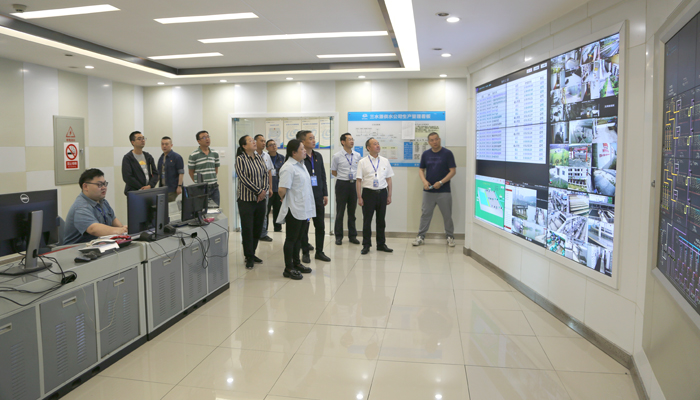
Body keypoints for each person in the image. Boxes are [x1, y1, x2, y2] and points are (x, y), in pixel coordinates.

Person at [276, 139, 315, 280]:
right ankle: (288, 268)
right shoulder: (288, 167)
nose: (305, 151)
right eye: (302, 149)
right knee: (291, 239)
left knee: (299, 238)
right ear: (294, 152)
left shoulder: (301, 165)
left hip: (304, 208)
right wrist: (286, 199)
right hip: (294, 208)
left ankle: (297, 263)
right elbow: (281, 190)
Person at [413, 132, 457, 247]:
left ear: (440, 139)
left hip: (444, 191)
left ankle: (450, 236)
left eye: (436, 139)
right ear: (429, 142)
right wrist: (424, 182)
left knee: (447, 215)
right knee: (425, 214)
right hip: (428, 191)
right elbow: (421, 170)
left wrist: (441, 182)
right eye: (432, 140)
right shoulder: (426, 154)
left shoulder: (447, 153)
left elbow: (453, 171)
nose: (434, 142)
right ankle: (420, 236)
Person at [64, 168, 127, 244]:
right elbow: (93, 229)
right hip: (76, 249)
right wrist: (120, 231)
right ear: (85, 187)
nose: (104, 187)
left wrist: (124, 230)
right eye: (99, 185)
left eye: (104, 184)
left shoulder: (103, 201)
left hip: (98, 245)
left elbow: (114, 220)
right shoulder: (81, 207)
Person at [235, 135, 269, 270]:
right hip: (246, 200)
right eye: (250, 141)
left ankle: (252, 253)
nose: (254, 142)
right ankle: (248, 256)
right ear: (244, 146)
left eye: (253, 140)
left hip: (261, 200)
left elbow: (265, 174)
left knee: (257, 228)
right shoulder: (240, 159)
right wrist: (258, 191)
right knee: (247, 229)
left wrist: (264, 191)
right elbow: (243, 178)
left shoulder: (259, 157)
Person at [297, 130, 331, 263]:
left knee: (320, 225)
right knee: (304, 227)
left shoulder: (318, 156)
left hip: (318, 196)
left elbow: (322, 175)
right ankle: (305, 252)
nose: (313, 141)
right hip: (305, 197)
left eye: (314, 138)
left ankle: (319, 252)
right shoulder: (300, 157)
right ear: (302, 141)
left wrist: (325, 193)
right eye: (310, 138)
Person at [356, 138, 394, 255]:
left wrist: (389, 195)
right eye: (374, 144)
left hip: (382, 193)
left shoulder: (385, 161)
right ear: (368, 148)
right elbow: (358, 180)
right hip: (368, 194)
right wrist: (359, 197)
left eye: (378, 144)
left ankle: (381, 244)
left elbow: (389, 179)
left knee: (381, 220)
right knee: (367, 221)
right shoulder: (362, 162)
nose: (377, 145)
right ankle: (366, 245)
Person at [331, 133, 362, 245]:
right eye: (349, 139)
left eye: (352, 139)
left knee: (352, 212)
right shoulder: (337, 156)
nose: (352, 141)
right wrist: (343, 177)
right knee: (340, 212)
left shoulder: (357, 155)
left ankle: (352, 236)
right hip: (342, 185)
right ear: (343, 142)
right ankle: (338, 236)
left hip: (353, 184)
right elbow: (333, 171)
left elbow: (359, 170)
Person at [188, 130, 220, 206]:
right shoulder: (193, 155)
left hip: (214, 187)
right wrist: (198, 183)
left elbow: (216, 170)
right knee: (201, 209)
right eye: (204, 137)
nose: (207, 139)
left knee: (215, 209)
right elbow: (191, 172)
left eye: (208, 137)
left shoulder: (215, 153)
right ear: (198, 141)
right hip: (201, 188)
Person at [254, 134, 274, 242]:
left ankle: (263, 234)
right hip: (253, 190)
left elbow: (269, 172)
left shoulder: (266, 156)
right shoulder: (251, 155)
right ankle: (252, 234)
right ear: (255, 142)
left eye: (264, 141)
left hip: (265, 189)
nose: (263, 143)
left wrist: (270, 187)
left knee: (264, 213)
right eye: (261, 141)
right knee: (253, 213)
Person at [157, 136, 184, 203]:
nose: (164, 146)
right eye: (162, 144)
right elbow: (159, 173)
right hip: (162, 188)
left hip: (172, 188)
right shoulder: (161, 158)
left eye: (166, 144)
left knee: (170, 206)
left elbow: (181, 173)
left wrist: (179, 186)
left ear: (171, 145)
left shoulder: (177, 157)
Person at [266, 139, 285, 233]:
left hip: (278, 188)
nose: (274, 146)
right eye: (271, 145)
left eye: (275, 144)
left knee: (278, 209)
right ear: (267, 148)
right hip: (268, 189)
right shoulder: (265, 158)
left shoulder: (282, 158)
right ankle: (264, 229)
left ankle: (277, 228)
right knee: (266, 210)